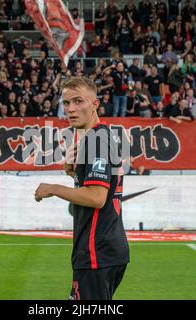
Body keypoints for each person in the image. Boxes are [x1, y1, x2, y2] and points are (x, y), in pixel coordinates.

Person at [34, 77, 129, 300]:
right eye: (66, 103)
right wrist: (74, 171)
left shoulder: (96, 138)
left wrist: (53, 188)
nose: (71, 109)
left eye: (78, 101)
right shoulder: (101, 135)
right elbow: (101, 183)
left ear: (95, 104)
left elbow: (97, 197)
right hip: (107, 249)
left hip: (96, 251)